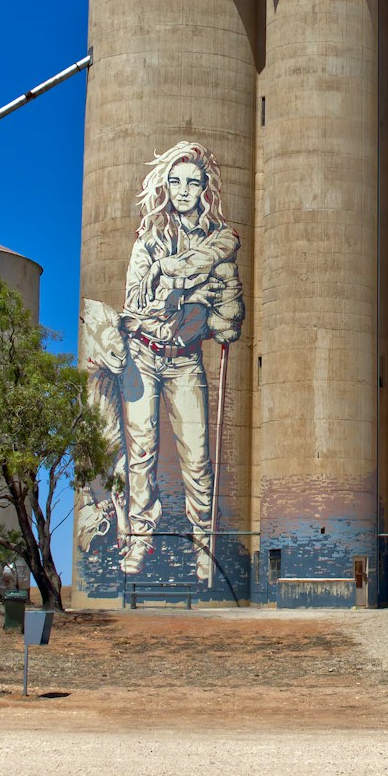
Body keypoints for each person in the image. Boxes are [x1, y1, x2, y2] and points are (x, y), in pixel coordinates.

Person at [117, 141, 243, 582]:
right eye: (175, 182)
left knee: (196, 457)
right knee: (142, 452)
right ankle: (138, 538)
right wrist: (191, 292)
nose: (183, 190)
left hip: (186, 360)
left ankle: (203, 544)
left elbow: (230, 313)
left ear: (206, 187)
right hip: (143, 355)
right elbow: (134, 303)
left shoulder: (219, 239)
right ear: (165, 187)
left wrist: (219, 314)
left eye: (192, 182)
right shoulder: (149, 240)